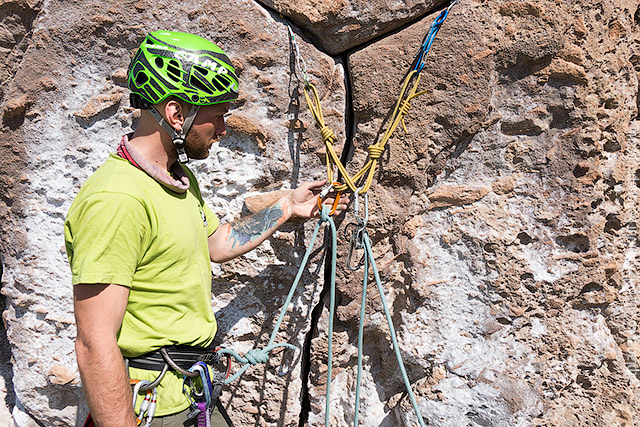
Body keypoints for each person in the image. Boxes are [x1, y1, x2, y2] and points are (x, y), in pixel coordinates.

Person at [64, 30, 347, 427]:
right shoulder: (118, 199)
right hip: (150, 409)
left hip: (190, 395)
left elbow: (216, 242)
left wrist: (286, 207)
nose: (225, 128)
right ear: (178, 114)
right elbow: (94, 344)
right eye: (218, 114)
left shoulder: (174, 179)